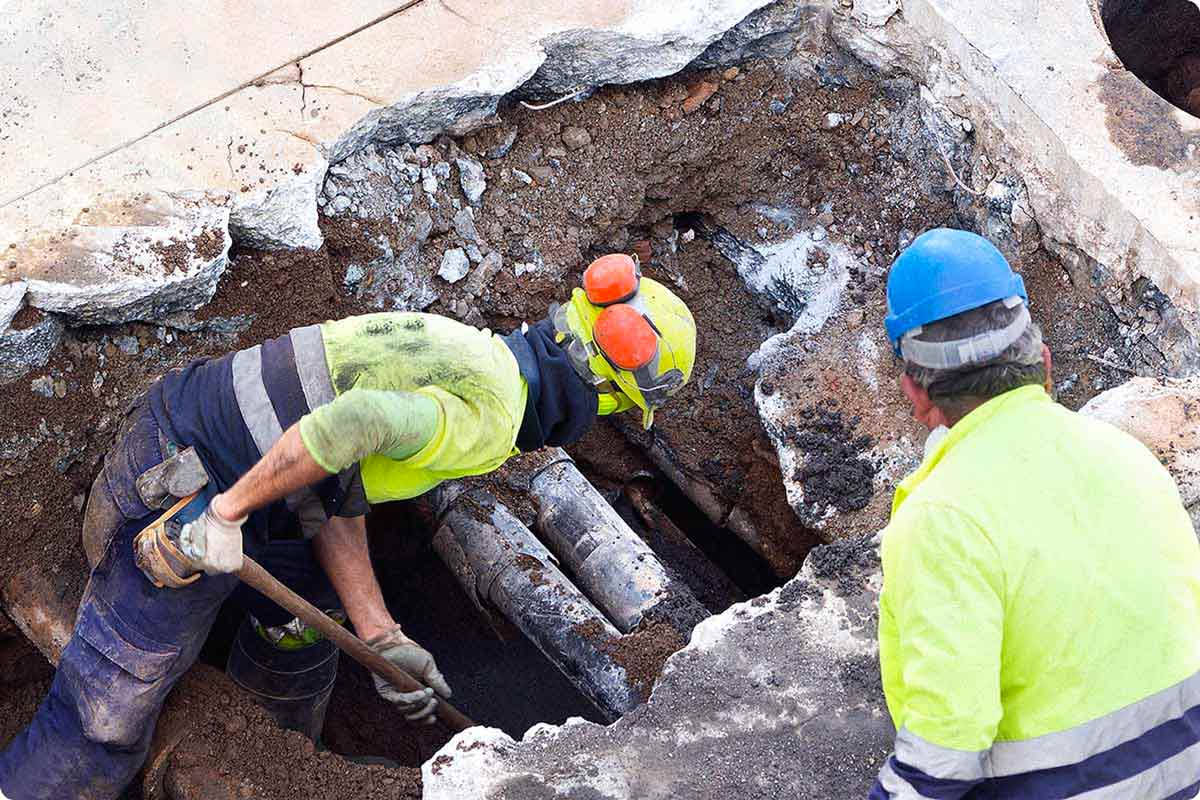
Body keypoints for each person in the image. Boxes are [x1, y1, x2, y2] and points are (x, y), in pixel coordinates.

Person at [0, 253, 696, 800]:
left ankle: (269, 750)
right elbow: (351, 424)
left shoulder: (472, 351)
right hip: (175, 492)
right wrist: (224, 514)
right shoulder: (490, 419)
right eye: (612, 409)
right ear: (599, 392)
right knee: (102, 726)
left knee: (307, 621)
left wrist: (380, 632)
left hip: (221, 449)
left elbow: (335, 483)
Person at [871, 228, 1200, 799]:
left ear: (916, 393)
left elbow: (946, 746)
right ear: (1044, 363)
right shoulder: (1126, 456)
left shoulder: (943, 518)